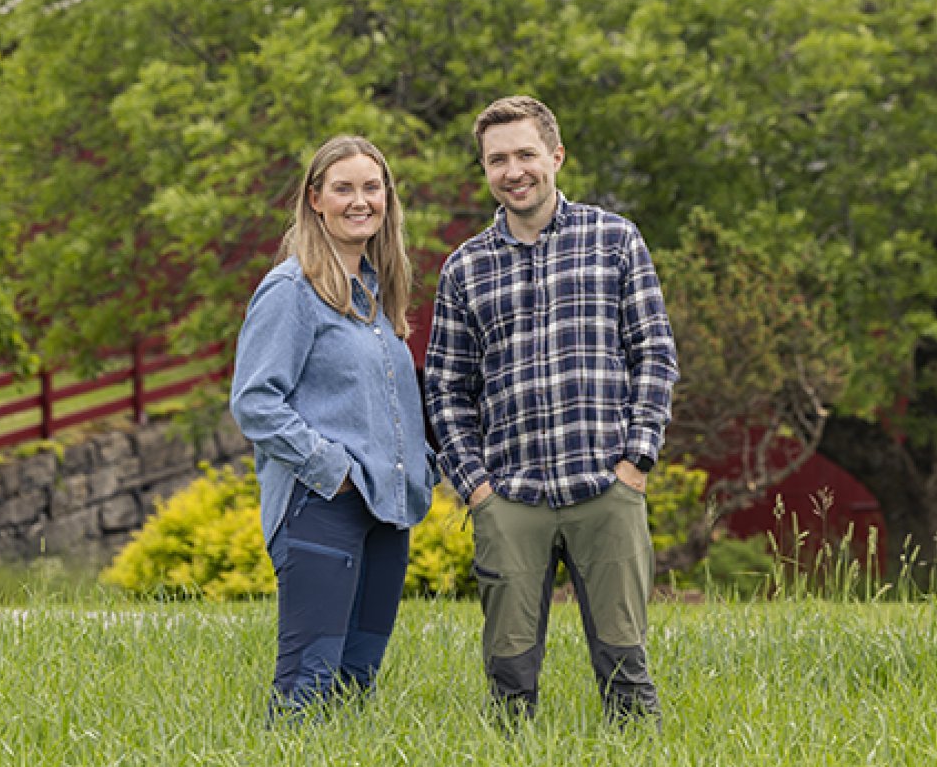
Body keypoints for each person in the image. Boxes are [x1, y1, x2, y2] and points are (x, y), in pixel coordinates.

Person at [424, 96, 679, 725]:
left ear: (556, 156)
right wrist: (476, 487)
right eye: (498, 160)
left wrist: (636, 460)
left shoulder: (614, 240)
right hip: (510, 498)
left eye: (526, 154)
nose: (514, 171)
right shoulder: (464, 269)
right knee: (508, 678)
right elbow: (446, 389)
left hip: (606, 487)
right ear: (485, 169)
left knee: (626, 666)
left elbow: (654, 352)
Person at [230, 135, 437, 714]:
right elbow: (255, 402)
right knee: (308, 683)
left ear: (387, 198)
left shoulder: (376, 295)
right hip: (321, 506)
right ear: (315, 200)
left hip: (384, 512)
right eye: (343, 188)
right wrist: (334, 469)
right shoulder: (291, 291)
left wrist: (419, 465)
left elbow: (382, 403)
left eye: (371, 187)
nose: (359, 201)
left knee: (356, 682)